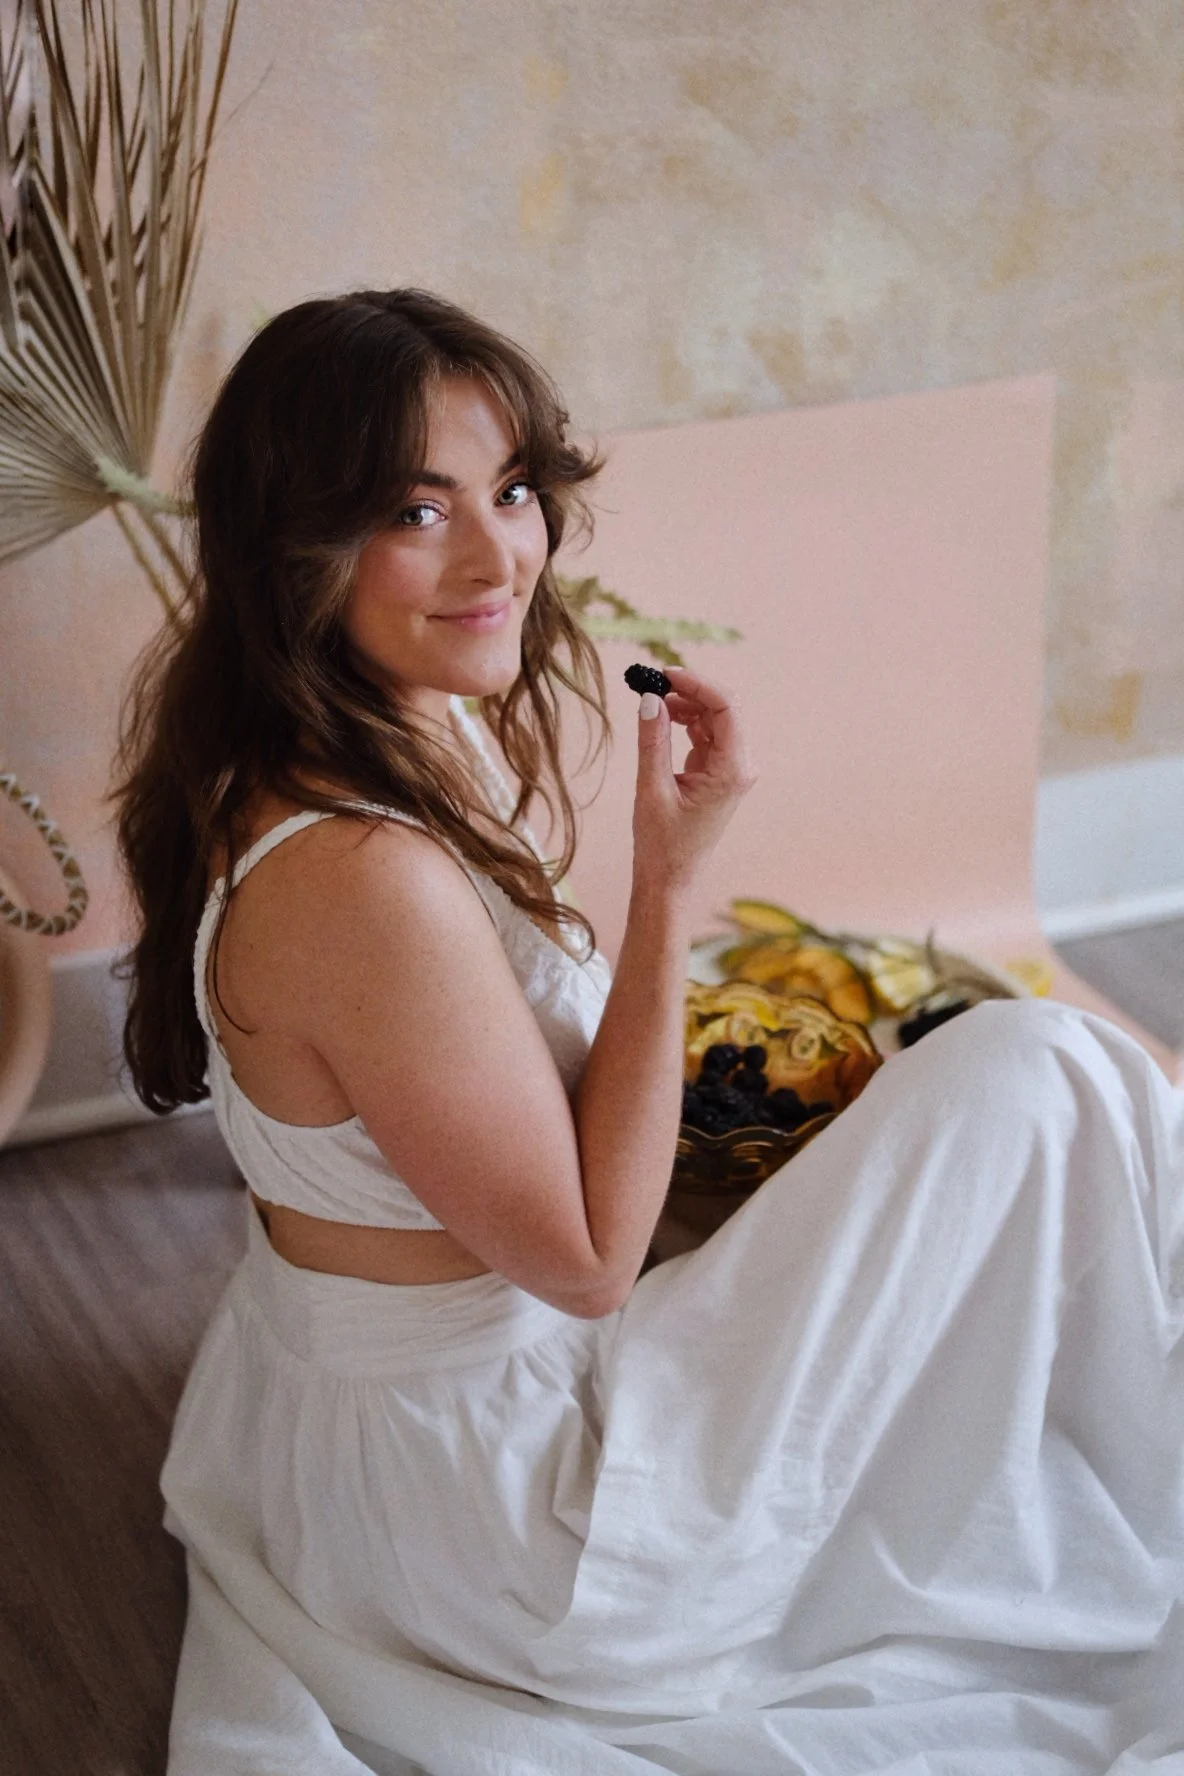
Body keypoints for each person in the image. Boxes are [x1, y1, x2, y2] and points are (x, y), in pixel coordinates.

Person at [115, 288, 1184, 1776]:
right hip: (512, 1527)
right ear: (296, 549)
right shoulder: (361, 879)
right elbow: (588, 1264)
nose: (497, 556)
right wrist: (670, 882)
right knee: (1044, 1072)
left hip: (380, 1421)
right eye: (418, 511)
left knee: (1012, 1106)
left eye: (510, 490)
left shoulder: (367, 729)